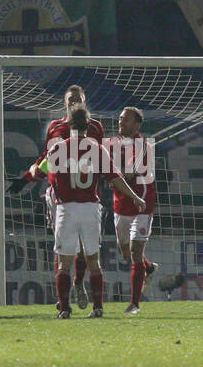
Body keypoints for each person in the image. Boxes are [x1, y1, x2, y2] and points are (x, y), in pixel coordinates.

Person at [16, 103, 144, 318]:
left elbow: (40, 172)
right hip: (90, 209)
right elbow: (115, 178)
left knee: (64, 263)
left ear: (69, 124)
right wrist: (135, 197)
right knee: (94, 261)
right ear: (88, 125)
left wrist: (27, 176)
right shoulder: (97, 148)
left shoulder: (58, 148)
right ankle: (98, 308)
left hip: (66, 210)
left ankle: (65, 309)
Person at [11, 85, 100, 308]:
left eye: (78, 98)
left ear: (85, 100)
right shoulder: (55, 127)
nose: (74, 102)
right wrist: (26, 178)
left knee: (81, 245)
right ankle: (64, 298)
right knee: (62, 246)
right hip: (58, 194)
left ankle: (79, 283)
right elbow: (46, 157)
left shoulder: (96, 128)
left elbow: (99, 161)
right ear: (64, 102)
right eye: (71, 99)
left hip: (85, 195)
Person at [113, 106, 158, 314]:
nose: (121, 122)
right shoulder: (113, 143)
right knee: (125, 253)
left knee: (135, 251)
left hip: (142, 204)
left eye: (126, 120)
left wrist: (109, 171)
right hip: (121, 205)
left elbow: (128, 175)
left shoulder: (143, 146)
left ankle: (134, 304)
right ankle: (148, 268)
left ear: (137, 125)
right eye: (121, 119)